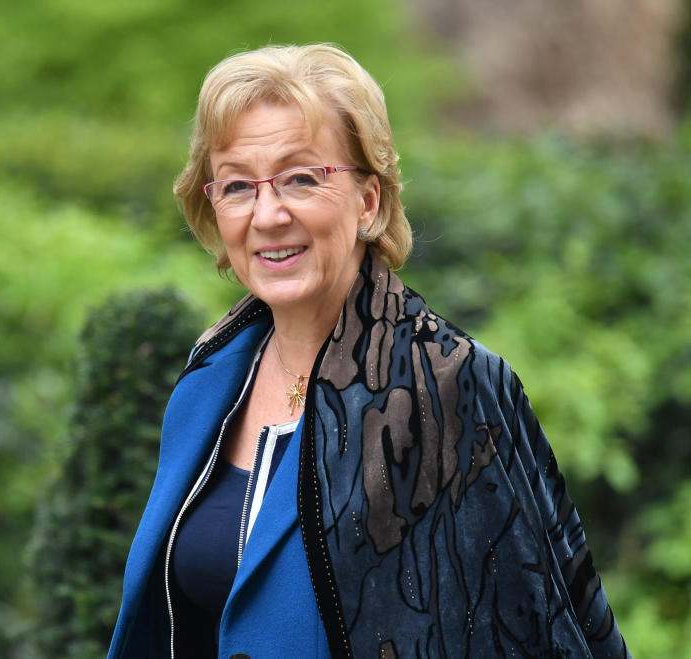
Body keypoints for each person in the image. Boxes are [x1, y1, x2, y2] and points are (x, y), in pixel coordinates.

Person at [108, 43, 629, 658]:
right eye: (239, 186)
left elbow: (525, 632)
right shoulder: (211, 380)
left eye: (301, 178)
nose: (268, 214)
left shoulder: (449, 385)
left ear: (368, 201)